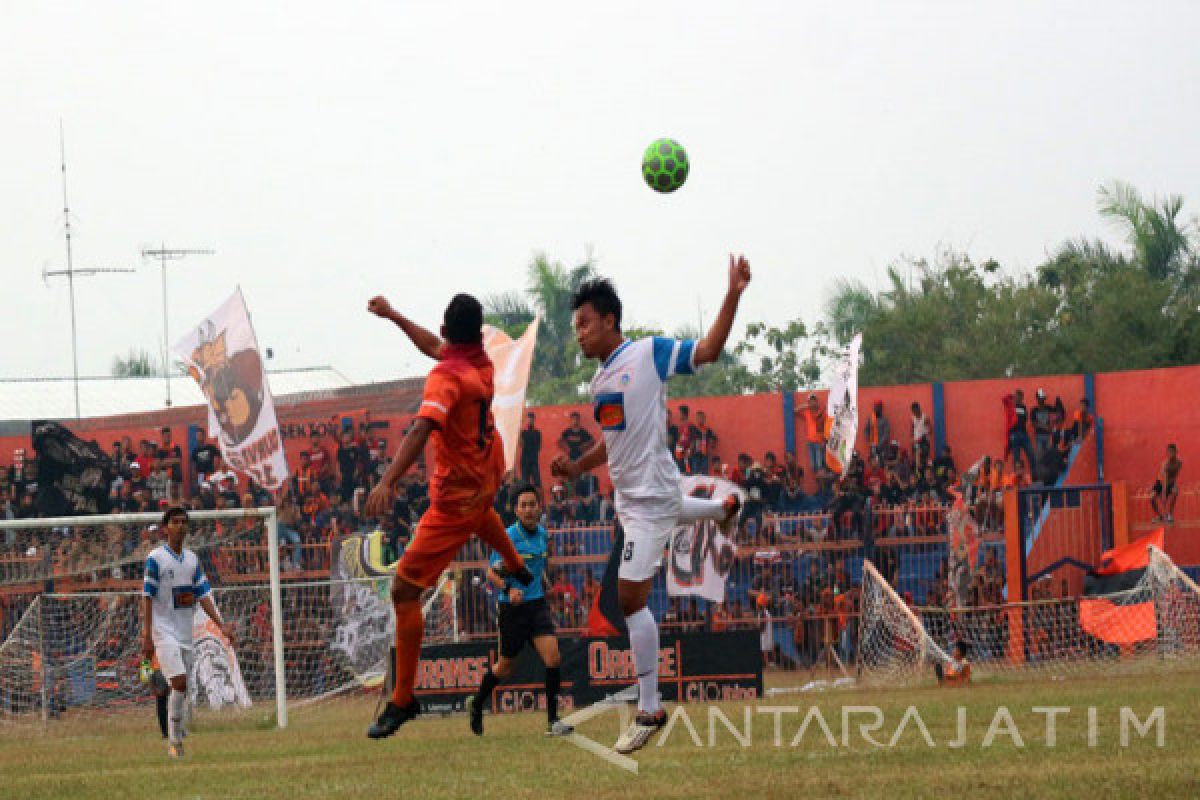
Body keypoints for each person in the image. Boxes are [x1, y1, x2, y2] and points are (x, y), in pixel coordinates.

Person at [551, 255, 749, 754]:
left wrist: (732, 294)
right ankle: (724, 509)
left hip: (647, 503)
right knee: (672, 510)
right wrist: (577, 467)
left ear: (610, 320)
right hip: (643, 496)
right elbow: (611, 442)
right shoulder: (599, 383)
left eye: (585, 323)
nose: (579, 333)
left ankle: (649, 708)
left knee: (630, 602)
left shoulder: (648, 353)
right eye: (576, 326)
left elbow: (708, 350)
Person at [362, 293, 531, 740]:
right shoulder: (481, 362)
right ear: (477, 333)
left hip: (456, 497)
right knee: (483, 514)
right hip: (489, 474)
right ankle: (516, 565)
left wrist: (389, 480)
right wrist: (396, 314)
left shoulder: (446, 378)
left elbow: (422, 427)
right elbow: (433, 346)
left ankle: (402, 701)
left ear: (445, 329)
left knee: (403, 591)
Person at [466, 484, 574, 737]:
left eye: (532, 504)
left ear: (539, 507)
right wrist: (507, 589)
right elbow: (492, 572)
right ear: (516, 510)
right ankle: (477, 704)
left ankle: (553, 721)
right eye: (523, 505)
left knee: (553, 658)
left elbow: (537, 567)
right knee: (505, 666)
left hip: (536, 606)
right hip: (512, 609)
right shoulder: (508, 537)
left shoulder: (543, 535)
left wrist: (544, 583)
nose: (528, 509)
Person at [141, 507, 236, 758]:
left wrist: (221, 624)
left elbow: (203, 595)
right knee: (180, 682)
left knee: (182, 689)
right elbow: (147, 597)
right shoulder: (156, 558)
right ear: (166, 528)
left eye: (184, 522)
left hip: (185, 631)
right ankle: (174, 743)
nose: (180, 526)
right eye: (175, 522)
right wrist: (147, 635)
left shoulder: (193, 560)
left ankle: (177, 729)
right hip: (163, 631)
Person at [1152, 444, 1182, 524]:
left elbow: (1175, 475)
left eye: (1172, 452)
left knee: (1175, 493)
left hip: (1170, 481)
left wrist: (1174, 484)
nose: (1170, 454)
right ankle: (1159, 516)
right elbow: (1164, 480)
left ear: (1176, 452)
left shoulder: (1179, 463)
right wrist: (1164, 493)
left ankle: (1170, 515)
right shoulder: (1165, 464)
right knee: (1152, 498)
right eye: (1169, 452)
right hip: (1160, 481)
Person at [800, 394, 826, 475]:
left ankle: (822, 486)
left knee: (819, 465)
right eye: (811, 401)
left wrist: (824, 441)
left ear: (817, 402)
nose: (813, 402)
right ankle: (820, 484)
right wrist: (807, 406)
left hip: (819, 442)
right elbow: (795, 410)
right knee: (813, 466)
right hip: (810, 442)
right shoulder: (807, 412)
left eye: (814, 400)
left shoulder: (822, 412)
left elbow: (825, 427)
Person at [517, 412, 543, 487]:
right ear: (526, 420)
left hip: (534, 460)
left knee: (537, 482)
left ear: (534, 420)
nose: (530, 420)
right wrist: (519, 433)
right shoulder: (523, 432)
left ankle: (539, 498)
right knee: (525, 482)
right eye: (529, 418)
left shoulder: (537, 433)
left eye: (531, 419)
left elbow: (539, 447)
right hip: (524, 460)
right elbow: (521, 444)